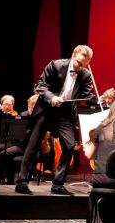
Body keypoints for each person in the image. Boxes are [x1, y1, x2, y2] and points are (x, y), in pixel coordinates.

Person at [15, 45, 98, 195]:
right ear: (73, 55)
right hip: (46, 109)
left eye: (85, 65)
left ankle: (58, 183)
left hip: (65, 113)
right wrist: (52, 98)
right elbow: (40, 85)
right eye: (79, 63)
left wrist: (100, 99)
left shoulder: (85, 74)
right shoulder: (55, 65)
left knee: (70, 145)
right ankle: (22, 182)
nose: (81, 68)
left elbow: (87, 97)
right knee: (33, 145)